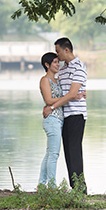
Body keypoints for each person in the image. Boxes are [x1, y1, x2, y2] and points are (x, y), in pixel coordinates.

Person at [43, 37, 88, 191]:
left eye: (58, 51)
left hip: (76, 114)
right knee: (68, 152)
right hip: (63, 116)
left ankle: (81, 189)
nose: (57, 56)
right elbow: (61, 93)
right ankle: (74, 187)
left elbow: (72, 93)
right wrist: (49, 104)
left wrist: (52, 106)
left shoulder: (79, 68)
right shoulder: (62, 70)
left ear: (66, 50)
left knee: (75, 150)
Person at [37, 52, 64, 187]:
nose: (57, 64)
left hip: (59, 119)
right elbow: (48, 100)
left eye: (58, 62)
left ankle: (41, 185)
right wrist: (69, 97)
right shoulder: (45, 80)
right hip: (52, 119)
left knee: (49, 154)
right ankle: (52, 187)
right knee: (53, 155)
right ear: (47, 65)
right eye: (54, 62)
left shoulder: (57, 80)